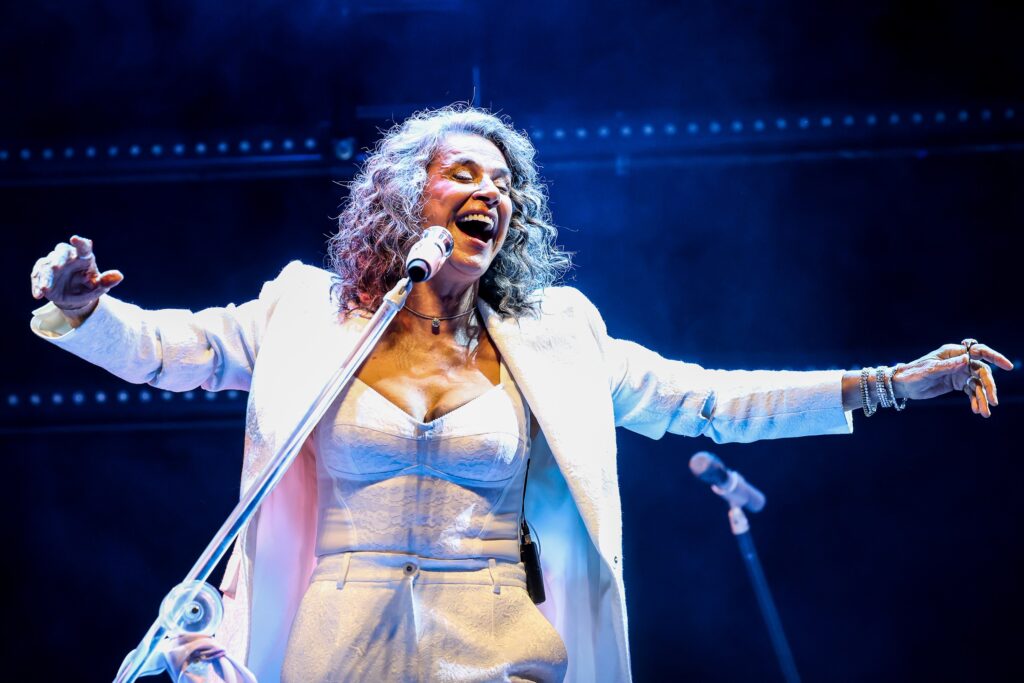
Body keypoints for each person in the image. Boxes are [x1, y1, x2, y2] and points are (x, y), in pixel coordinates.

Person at [29, 105, 1012, 683]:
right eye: (463, 173)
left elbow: (706, 399)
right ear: (405, 197)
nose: (490, 192)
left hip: (496, 639)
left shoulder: (558, 334)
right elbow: (174, 350)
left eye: (503, 184)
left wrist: (887, 386)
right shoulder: (305, 311)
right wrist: (81, 308)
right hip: (335, 643)